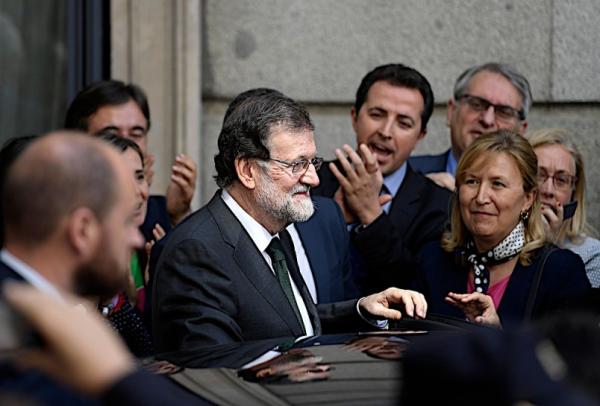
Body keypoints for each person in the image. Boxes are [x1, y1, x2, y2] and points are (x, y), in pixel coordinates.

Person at [152, 89, 427, 363]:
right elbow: (214, 368)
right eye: (297, 165)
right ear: (247, 170)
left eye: (312, 162)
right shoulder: (195, 252)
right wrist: (282, 371)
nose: (313, 179)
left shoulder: (274, 231)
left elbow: (284, 321)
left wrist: (359, 309)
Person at [0, 132, 145, 403]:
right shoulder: (15, 336)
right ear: (82, 230)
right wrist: (119, 377)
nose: (136, 239)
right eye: (125, 222)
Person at [414, 131, 591, 329]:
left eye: (497, 184)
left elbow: (572, 348)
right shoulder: (431, 260)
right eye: (472, 181)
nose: (481, 197)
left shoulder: (561, 272)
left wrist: (498, 336)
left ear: (528, 199)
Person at [312, 63, 451, 293]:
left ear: (420, 135)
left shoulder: (439, 206)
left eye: (403, 123)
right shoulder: (310, 180)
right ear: (355, 117)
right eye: (377, 115)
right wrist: (336, 222)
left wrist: (371, 216)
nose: (386, 132)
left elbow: (417, 289)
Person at [64, 80, 197, 234]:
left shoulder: (161, 212)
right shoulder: (59, 214)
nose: (127, 145)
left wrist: (179, 215)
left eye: (136, 133)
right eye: (111, 135)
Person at [410, 62, 532, 191]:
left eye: (504, 112)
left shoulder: (531, 190)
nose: (487, 120)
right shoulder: (409, 175)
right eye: (476, 104)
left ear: (521, 131)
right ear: (451, 111)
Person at [528, 128, 600, 288]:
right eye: (539, 175)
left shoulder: (591, 255)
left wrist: (546, 249)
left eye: (561, 180)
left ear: (573, 191)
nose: (548, 190)